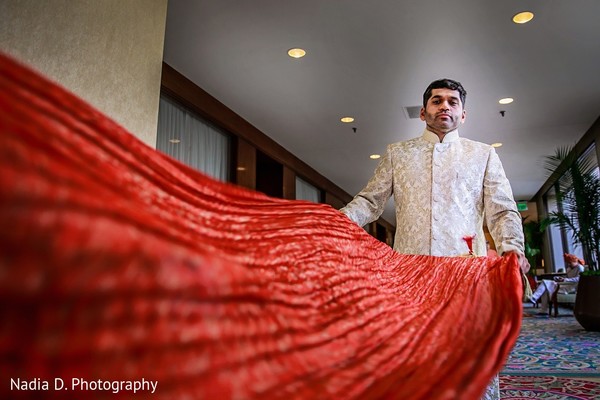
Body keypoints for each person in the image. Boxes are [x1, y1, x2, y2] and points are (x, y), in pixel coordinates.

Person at [340, 78, 529, 400]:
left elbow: (502, 210)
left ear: (463, 114)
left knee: (468, 354)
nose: (445, 106)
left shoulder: (482, 154)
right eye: (437, 100)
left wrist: (512, 247)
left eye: (453, 101)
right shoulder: (397, 153)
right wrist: (335, 220)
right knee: (411, 354)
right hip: (410, 273)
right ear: (423, 112)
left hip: (465, 272)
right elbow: (370, 202)